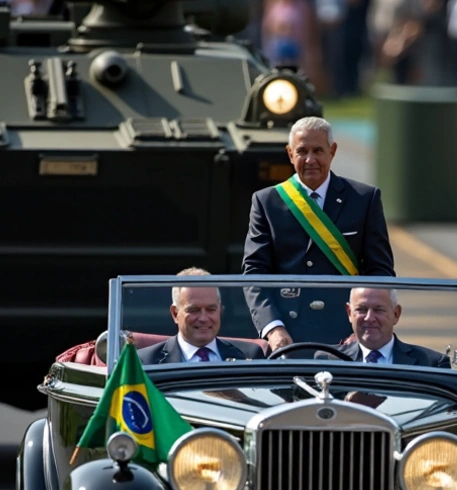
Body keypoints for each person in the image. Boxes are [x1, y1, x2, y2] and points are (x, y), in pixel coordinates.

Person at [243, 116, 394, 348]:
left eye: (318, 150)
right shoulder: (267, 202)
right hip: (286, 334)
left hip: (347, 332)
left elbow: (380, 271)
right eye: (302, 151)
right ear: (290, 154)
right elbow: (255, 273)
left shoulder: (364, 199)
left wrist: (364, 329)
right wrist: (273, 329)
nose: (310, 160)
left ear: (332, 151)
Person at [138, 268, 266, 364]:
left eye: (211, 309)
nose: (204, 318)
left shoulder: (250, 355)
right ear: (175, 314)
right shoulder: (146, 362)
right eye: (194, 310)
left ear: (220, 311)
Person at [323, 287, 449, 367]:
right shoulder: (327, 360)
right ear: (349, 313)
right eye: (361, 309)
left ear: (396, 314)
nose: (369, 318)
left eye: (379, 310)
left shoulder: (431, 364)